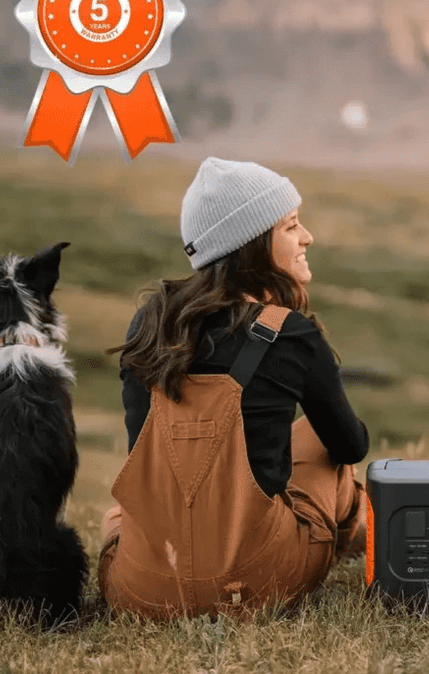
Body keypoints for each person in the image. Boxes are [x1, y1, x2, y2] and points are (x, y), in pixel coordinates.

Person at [98, 157, 369, 618]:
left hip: (144, 591)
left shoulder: (149, 321)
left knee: (115, 519)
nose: (307, 237)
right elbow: (350, 444)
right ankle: (365, 533)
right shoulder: (292, 333)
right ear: (254, 244)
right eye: (291, 226)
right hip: (259, 585)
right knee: (324, 447)